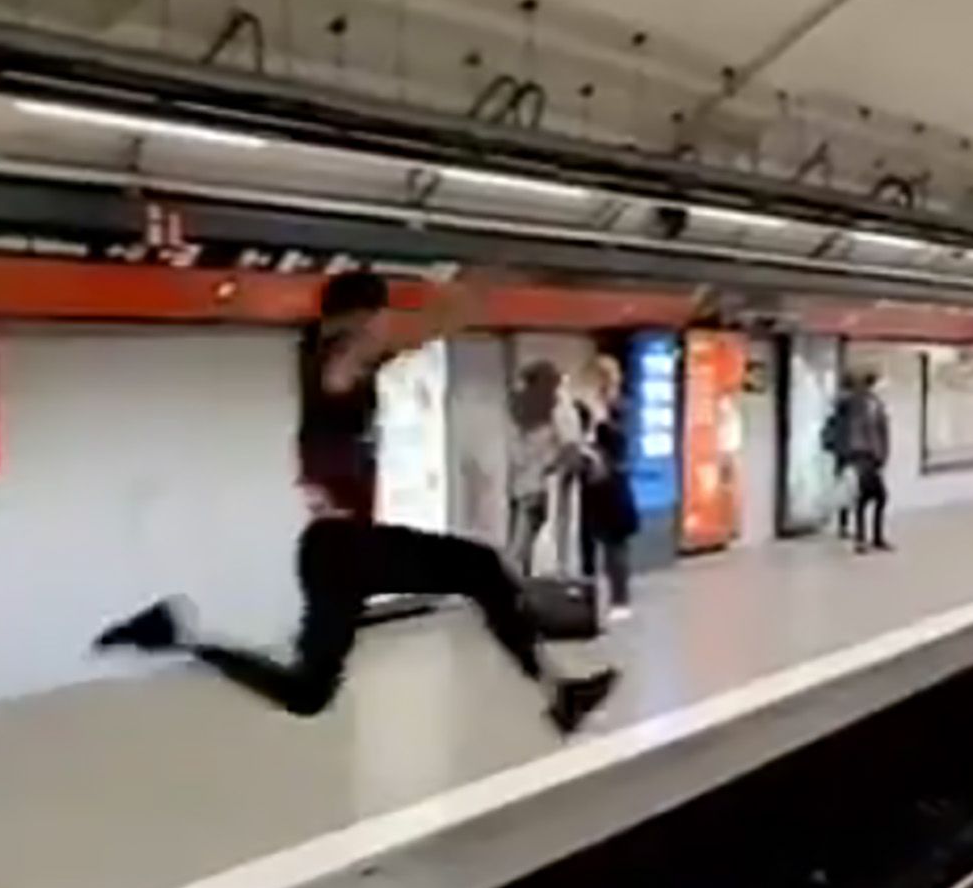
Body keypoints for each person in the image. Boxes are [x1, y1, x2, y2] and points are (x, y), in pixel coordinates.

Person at [94, 272, 617, 734]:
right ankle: (558, 692)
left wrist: (462, 304)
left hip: (333, 554)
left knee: (307, 695)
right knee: (479, 565)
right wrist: (467, 292)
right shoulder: (334, 362)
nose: (384, 325)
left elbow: (398, 341)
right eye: (377, 315)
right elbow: (388, 341)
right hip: (344, 545)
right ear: (356, 317)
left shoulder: (340, 363)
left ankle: (174, 636)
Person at [574, 354, 638, 623]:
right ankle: (587, 598)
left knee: (615, 544)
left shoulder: (619, 409)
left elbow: (619, 444)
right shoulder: (583, 408)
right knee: (586, 542)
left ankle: (620, 599)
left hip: (612, 483)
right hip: (590, 483)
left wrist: (599, 425)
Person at [504, 360, 580, 576]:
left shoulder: (527, 407)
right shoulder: (555, 408)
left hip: (529, 486)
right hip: (540, 486)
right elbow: (570, 447)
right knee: (528, 546)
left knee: (522, 545)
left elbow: (568, 449)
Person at [825, 367, 892, 552]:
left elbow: (881, 431)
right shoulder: (857, 402)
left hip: (871, 456)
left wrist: (882, 455)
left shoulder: (875, 403)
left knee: (873, 497)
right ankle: (865, 538)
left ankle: (868, 537)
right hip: (860, 455)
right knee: (872, 496)